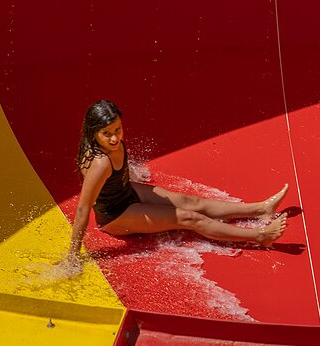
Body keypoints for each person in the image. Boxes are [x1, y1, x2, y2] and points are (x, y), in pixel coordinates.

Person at [57, 100, 288, 274]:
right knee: (188, 218)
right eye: (106, 134)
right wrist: (72, 258)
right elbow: (83, 209)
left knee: (192, 202)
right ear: (93, 133)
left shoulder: (113, 143)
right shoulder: (99, 163)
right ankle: (260, 236)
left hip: (127, 192)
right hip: (116, 216)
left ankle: (260, 209)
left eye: (118, 130)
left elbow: (120, 174)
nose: (115, 138)